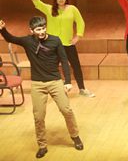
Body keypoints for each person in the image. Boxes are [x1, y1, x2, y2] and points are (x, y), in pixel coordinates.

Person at [0, 17, 83, 159]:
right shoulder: (27, 41)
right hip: (37, 84)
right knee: (38, 116)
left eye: (43, 28)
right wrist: (2, 29)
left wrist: (68, 81)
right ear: (31, 30)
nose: (42, 31)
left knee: (66, 110)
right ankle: (42, 146)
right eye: (38, 29)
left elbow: (64, 61)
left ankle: (75, 136)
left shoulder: (55, 40)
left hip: (55, 81)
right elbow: (10, 39)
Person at [24, 0, 95, 98]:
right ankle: (54, 90)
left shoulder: (72, 9)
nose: (61, 0)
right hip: (52, 45)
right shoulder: (49, 9)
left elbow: (80, 22)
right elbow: (36, 2)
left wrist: (78, 36)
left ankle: (82, 89)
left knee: (76, 66)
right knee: (52, 67)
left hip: (68, 44)